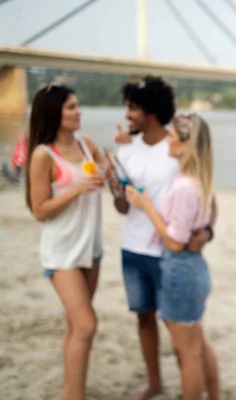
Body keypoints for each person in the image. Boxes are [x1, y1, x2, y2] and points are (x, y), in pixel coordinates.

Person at [111, 76, 216, 400]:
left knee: (186, 337)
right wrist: (117, 189)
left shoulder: (177, 153)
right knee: (146, 320)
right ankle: (155, 383)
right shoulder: (125, 151)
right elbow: (121, 206)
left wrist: (208, 231)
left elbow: (207, 199)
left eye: (133, 107)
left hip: (171, 256)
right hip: (134, 248)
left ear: (151, 110)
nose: (127, 114)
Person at [26, 83, 107, 400]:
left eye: (77, 105)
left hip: (91, 249)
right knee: (87, 325)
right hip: (61, 253)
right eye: (71, 107)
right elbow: (39, 211)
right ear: (54, 113)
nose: (79, 111)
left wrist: (113, 161)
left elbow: (109, 173)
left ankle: (71, 392)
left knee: (76, 328)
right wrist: (76, 189)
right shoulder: (42, 155)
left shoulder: (87, 144)